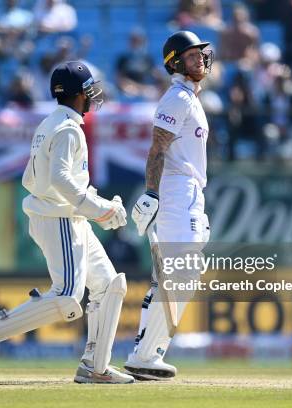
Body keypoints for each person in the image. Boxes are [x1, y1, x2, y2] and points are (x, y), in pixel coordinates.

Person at [0, 61, 134, 384]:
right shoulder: (68, 128)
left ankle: (94, 366)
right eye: (88, 90)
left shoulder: (52, 121)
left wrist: (95, 208)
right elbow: (59, 178)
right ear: (76, 95)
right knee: (68, 297)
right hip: (57, 218)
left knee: (110, 284)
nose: (93, 96)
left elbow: (48, 176)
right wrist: (98, 209)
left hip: (66, 217)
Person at [126, 31, 213, 380]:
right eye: (192, 56)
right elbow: (157, 148)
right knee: (182, 272)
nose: (201, 60)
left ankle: (145, 352)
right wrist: (151, 192)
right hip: (177, 191)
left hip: (189, 192)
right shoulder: (177, 98)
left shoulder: (190, 98)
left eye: (202, 55)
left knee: (172, 276)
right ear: (175, 63)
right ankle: (145, 354)